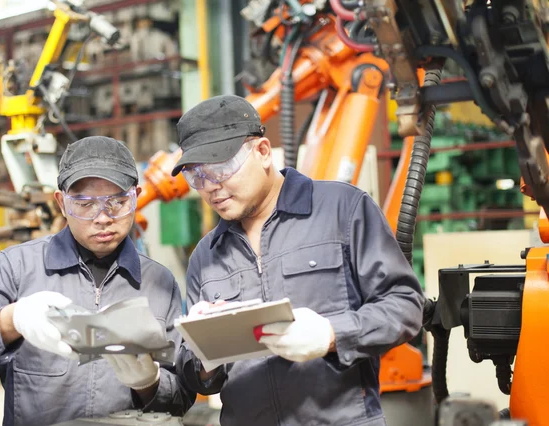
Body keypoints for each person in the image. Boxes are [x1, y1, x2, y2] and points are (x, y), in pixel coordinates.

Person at [171, 95, 425, 426]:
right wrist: (204, 353)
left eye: (221, 168)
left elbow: (405, 306)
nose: (211, 188)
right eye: (198, 176)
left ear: (262, 152)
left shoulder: (342, 210)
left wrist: (332, 334)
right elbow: (201, 379)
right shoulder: (205, 256)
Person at [0, 136, 195, 426]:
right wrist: (12, 319)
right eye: (85, 204)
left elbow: (181, 398)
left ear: (136, 196)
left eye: (117, 202)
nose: (103, 218)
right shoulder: (16, 267)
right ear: (61, 204)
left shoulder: (159, 283)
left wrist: (149, 382)